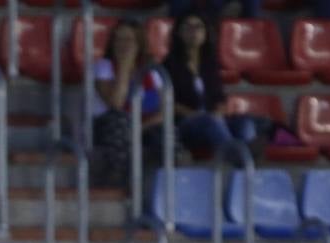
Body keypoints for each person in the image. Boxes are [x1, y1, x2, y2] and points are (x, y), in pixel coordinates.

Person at [163, 15, 262, 159]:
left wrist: (219, 111)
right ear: (179, 32)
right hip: (184, 123)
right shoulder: (169, 65)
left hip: (213, 120)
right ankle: (240, 158)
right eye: (188, 27)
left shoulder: (210, 64)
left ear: (205, 33)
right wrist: (198, 115)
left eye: (198, 27)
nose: (194, 32)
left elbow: (220, 98)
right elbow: (168, 103)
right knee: (210, 121)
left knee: (244, 122)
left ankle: (245, 157)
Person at [91, 19, 164, 187]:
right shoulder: (104, 66)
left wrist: (139, 128)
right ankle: (119, 183)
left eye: (128, 40)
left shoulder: (151, 71)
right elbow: (116, 103)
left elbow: (164, 111)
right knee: (121, 120)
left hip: (144, 126)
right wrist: (124, 67)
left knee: (166, 133)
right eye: (118, 39)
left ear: (139, 43)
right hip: (108, 125)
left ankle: (172, 182)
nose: (122, 44)